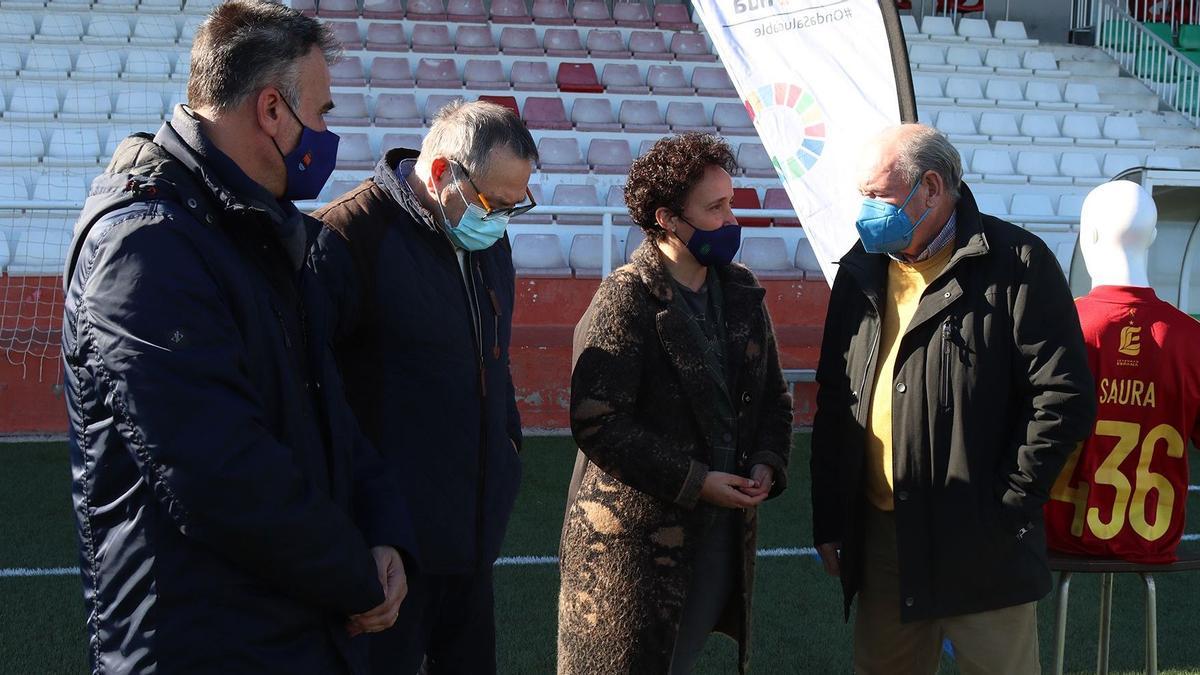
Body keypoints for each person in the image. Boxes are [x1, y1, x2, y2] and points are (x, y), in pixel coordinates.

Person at [61, 2, 413, 672]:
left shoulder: (260, 227)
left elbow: (327, 410)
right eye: (323, 112)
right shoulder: (147, 244)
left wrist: (385, 530)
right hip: (202, 645)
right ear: (272, 110)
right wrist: (354, 573)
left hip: (291, 629)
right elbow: (216, 470)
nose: (328, 134)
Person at [809, 124, 1097, 674]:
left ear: (932, 188)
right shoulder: (859, 269)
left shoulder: (1019, 264)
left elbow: (1063, 398)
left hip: (982, 541)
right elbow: (836, 397)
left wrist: (1006, 504)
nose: (865, 210)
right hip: (883, 537)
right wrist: (832, 515)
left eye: (878, 195)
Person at [309, 100, 534, 674]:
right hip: (390, 553)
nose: (502, 220)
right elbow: (314, 400)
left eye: (516, 206)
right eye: (495, 204)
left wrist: (507, 445)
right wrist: (367, 530)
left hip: (473, 541)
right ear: (441, 174)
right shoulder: (345, 236)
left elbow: (494, 359)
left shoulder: (489, 240)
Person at [557, 133, 793, 675]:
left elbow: (775, 397)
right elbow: (598, 423)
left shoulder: (741, 291)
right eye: (716, 208)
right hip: (632, 555)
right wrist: (695, 480)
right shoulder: (625, 297)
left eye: (731, 203)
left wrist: (767, 461)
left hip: (716, 542)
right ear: (666, 218)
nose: (732, 220)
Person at [1045, 180, 1200, 563]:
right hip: (1154, 539)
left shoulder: (1056, 326)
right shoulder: (1192, 338)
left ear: (1089, 234)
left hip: (1058, 536)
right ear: (1153, 238)